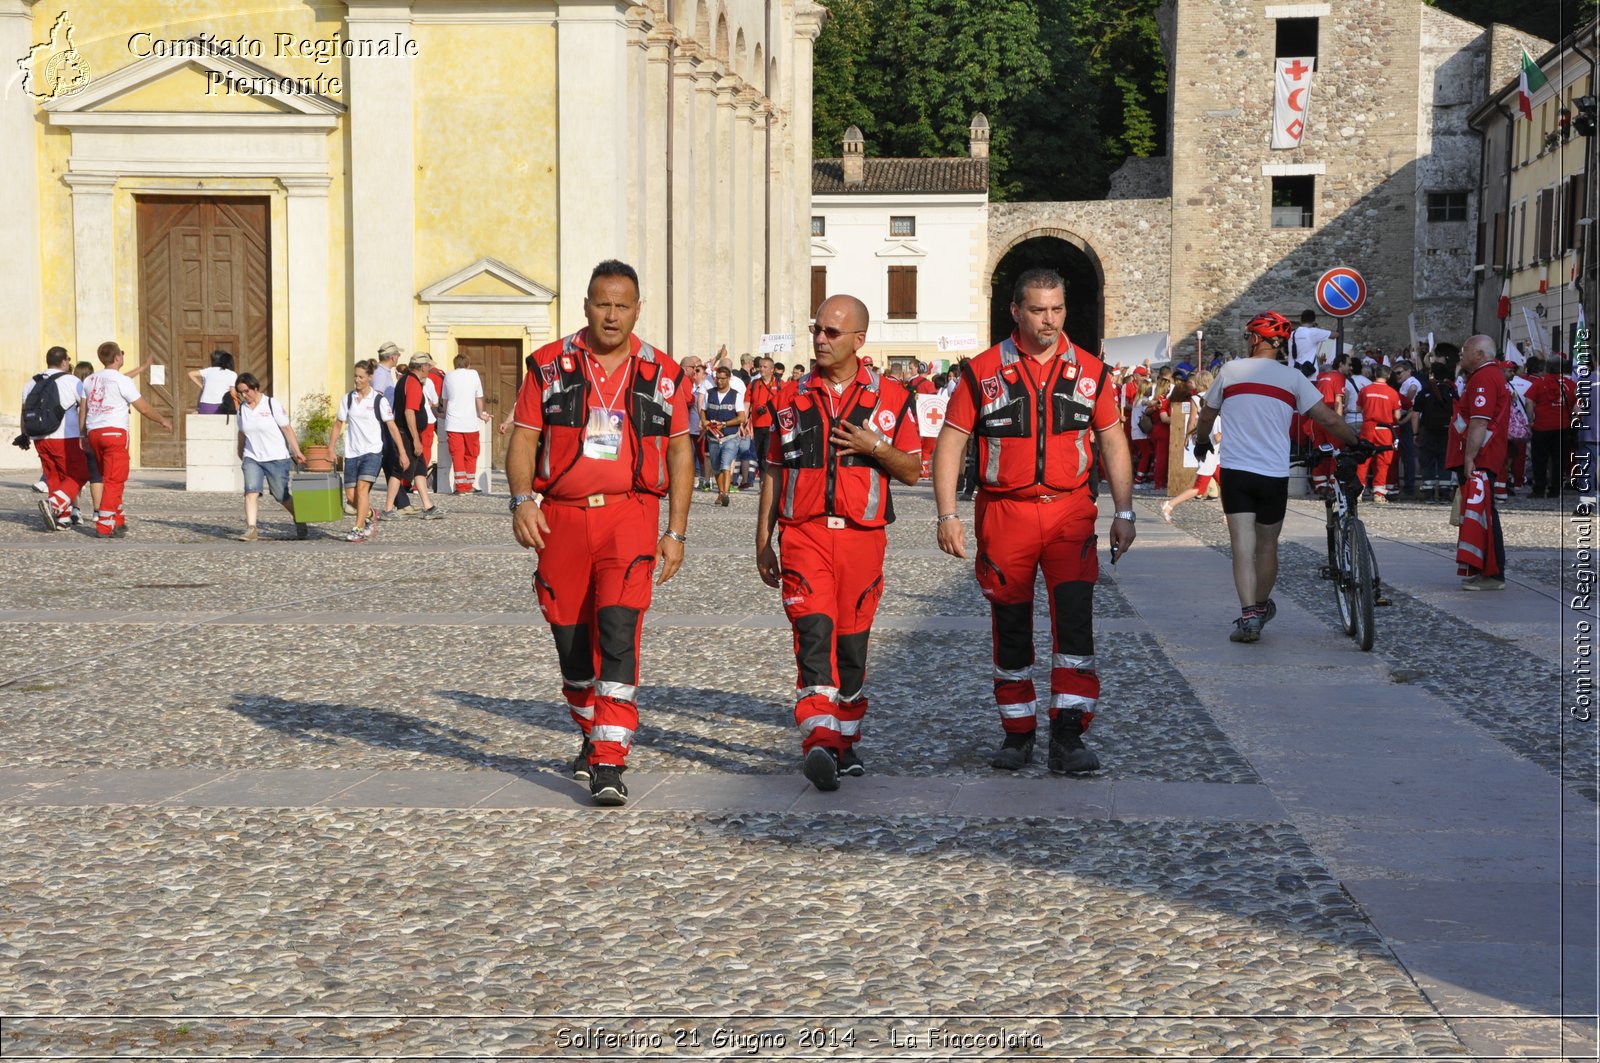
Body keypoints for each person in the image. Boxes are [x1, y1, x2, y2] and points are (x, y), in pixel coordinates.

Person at [931, 268, 1136, 775]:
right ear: (1016, 312)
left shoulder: (1091, 370)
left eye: (1058, 309)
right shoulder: (981, 371)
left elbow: (1112, 440)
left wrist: (1125, 510)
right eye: (1039, 310)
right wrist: (947, 514)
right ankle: (1017, 732)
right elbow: (951, 442)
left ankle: (1068, 735)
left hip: (1070, 513)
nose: (1049, 320)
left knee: (1075, 624)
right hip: (1005, 514)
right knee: (1011, 626)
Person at [506, 260, 692, 807]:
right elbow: (523, 438)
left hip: (630, 516)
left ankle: (611, 757)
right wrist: (521, 500)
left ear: (638, 309)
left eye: (623, 305)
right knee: (571, 647)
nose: (612, 315)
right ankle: (591, 730)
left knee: (618, 632)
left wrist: (676, 529)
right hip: (560, 518)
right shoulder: (546, 365)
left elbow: (681, 450)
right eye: (602, 304)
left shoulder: (664, 373)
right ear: (585, 306)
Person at [756, 294, 921, 791]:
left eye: (832, 332)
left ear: (859, 340)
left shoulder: (892, 397)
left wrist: (877, 447)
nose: (821, 339)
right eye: (817, 329)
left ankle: (846, 741)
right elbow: (772, 470)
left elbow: (914, 469)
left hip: (862, 539)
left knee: (851, 647)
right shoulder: (788, 396)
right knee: (813, 635)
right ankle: (821, 740)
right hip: (802, 534)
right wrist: (762, 538)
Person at [1190, 311, 1361, 642]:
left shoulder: (1230, 371)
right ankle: (1260, 605)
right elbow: (1328, 418)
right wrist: (1357, 440)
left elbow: (1208, 413)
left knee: (1242, 547)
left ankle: (1248, 617)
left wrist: (1201, 443)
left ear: (1255, 339)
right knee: (1267, 548)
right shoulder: (1293, 378)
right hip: (1273, 474)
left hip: (1237, 472)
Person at [79, 341, 172, 538]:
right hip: (114, 433)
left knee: (109, 477)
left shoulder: (90, 380)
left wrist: (82, 433)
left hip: (94, 432)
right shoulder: (122, 381)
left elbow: (84, 409)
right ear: (117, 358)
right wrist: (162, 420)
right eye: (121, 354)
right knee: (115, 479)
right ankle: (105, 524)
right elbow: (144, 408)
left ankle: (118, 519)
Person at [1447, 335, 1511, 590]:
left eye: (1465, 351)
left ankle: (1493, 575)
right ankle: (1483, 568)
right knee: (1478, 515)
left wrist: (1470, 457)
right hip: (1481, 456)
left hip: (1480, 457)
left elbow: (1480, 421)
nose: (1461, 355)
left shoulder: (1484, 378)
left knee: (1483, 515)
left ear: (1481, 354)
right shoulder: (1485, 376)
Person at [331, 359, 406, 542]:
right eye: (355, 376)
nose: (357, 380)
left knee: (362, 490)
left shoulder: (379, 400)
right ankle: (371, 514)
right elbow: (338, 424)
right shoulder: (347, 399)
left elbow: (392, 427)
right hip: (352, 452)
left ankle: (358, 528)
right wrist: (330, 448)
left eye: (361, 377)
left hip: (372, 451)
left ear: (370, 378)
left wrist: (402, 452)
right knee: (350, 496)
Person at [20, 346, 88, 531]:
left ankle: (62, 518)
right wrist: (85, 432)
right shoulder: (72, 381)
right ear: (64, 361)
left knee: (54, 476)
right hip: (66, 436)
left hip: (39, 436)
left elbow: (24, 411)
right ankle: (55, 503)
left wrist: (25, 434)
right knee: (80, 473)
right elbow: (84, 406)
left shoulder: (31, 382)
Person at [233, 373, 307, 541]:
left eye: (246, 391)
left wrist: (297, 451)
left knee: (281, 495)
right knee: (250, 492)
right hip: (252, 457)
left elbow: (287, 429)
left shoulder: (271, 404)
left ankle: (300, 518)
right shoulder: (242, 409)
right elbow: (242, 432)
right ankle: (251, 529)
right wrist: (240, 450)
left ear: (255, 388)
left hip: (276, 458)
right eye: (240, 392)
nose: (244, 395)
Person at [384, 353, 443, 520]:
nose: (430, 369)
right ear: (423, 367)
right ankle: (388, 509)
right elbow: (409, 412)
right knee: (399, 469)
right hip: (409, 435)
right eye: (428, 367)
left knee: (420, 469)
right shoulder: (413, 384)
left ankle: (428, 506)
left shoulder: (406, 380)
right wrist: (416, 439)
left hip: (409, 433)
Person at [441, 352, 490, 493]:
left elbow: (445, 400)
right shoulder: (473, 374)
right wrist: (481, 414)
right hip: (470, 422)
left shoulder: (448, 376)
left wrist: (444, 413)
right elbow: (479, 397)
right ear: (468, 365)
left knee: (457, 454)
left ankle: (460, 486)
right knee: (471, 453)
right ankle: (468, 485)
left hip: (452, 422)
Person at [1527, 354, 1574, 498]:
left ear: (1547, 367)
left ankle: (1539, 489)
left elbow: (1529, 402)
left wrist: (1531, 420)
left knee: (1539, 459)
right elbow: (1577, 405)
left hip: (1541, 426)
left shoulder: (1539, 383)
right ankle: (1555, 490)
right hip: (1563, 426)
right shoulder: (1570, 384)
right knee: (1559, 460)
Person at [1355, 365, 1401, 502]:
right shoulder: (1392, 392)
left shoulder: (1365, 390)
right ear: (1388, 376)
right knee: (1383, 461)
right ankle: (1379, 494)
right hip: (1385, 430)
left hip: (1368, 428)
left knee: (1363, 460)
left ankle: (1358, 492)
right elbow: (1397, 416)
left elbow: (1358, 408)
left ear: (1375, 374)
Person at [702, 365, 745, 505]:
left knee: (725, 464)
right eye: (717, 378)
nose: (719, 381)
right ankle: (720, 493)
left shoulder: (735, 395)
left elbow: (741, 418)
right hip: (713, 437)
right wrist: (704, 421)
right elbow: (703, 410)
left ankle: (725, 494)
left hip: (730, 437)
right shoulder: (709, 393)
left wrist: (725, 424)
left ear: (728, 379)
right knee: (715, 467)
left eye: (722, 379)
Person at [1392, 359, 1422, 498]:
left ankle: (1409, 486)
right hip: (1407, 420)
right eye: (1395, 373)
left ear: (1408, 371)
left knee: (1408, 454)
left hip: (1409, 421)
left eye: (1399, 373)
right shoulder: (1406, 383)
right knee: (1405, 454)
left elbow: (1412, 404)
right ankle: (1408, 485)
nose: (1397, 376)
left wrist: (1402, 420)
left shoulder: (1412, 382)